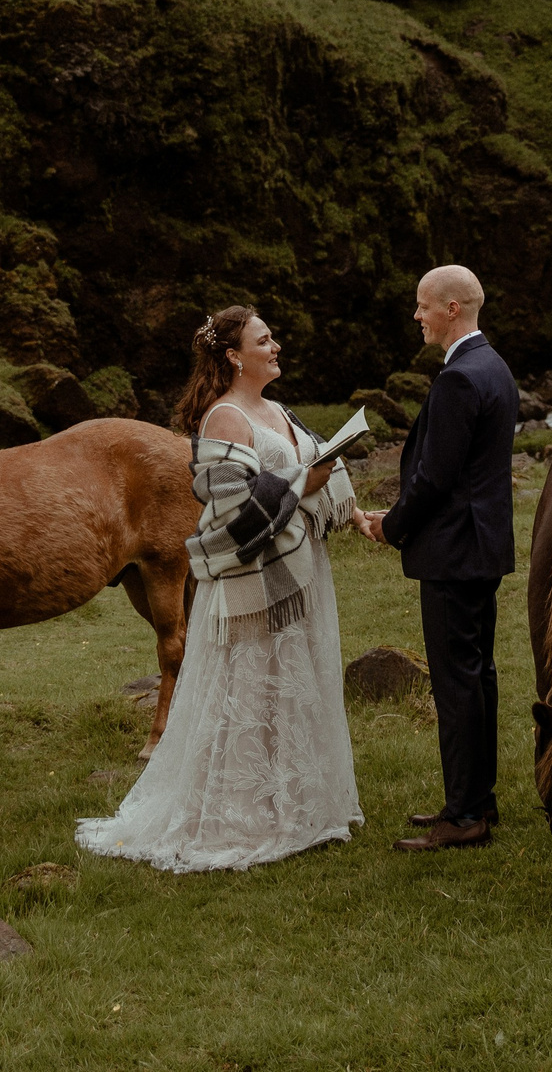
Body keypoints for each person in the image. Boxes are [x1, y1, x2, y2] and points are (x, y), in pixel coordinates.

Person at [75, 305, 363, 871]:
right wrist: (307, 481)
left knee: (292, 683)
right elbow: (231, 509)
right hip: (252, 577)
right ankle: (238, 817)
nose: (276, 346)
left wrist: (355, 512)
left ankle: (295, 808)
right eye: (265, 339)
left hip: (304, 571)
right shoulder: (223, 419)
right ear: (234, 356)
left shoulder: (279, 410)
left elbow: (318, 466)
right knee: (251, 688)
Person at [355, 264, 516, 852]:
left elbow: (434, 479)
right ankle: (479, 800)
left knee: (457, 684)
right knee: (478, 678)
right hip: (482, 548)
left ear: (452, 308)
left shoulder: (459, 379)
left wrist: (389, 526)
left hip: (454, 553)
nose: (416, 316)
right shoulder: (493, 366)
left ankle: (466, 815)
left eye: (423, 306)